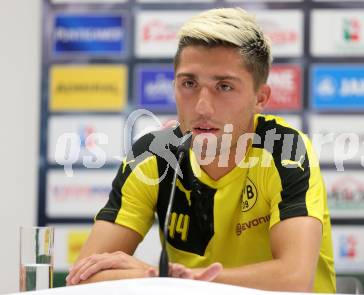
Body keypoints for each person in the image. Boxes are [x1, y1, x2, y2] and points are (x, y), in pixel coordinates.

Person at [66, 7, 335, 293]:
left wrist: (174, 278)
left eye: (224, 86)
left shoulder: (285, 150)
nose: (202, 107)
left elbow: (294, 279)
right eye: (189, 84)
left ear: (261, 98)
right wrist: (158, 276)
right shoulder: (153, 156)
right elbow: (83, 276)